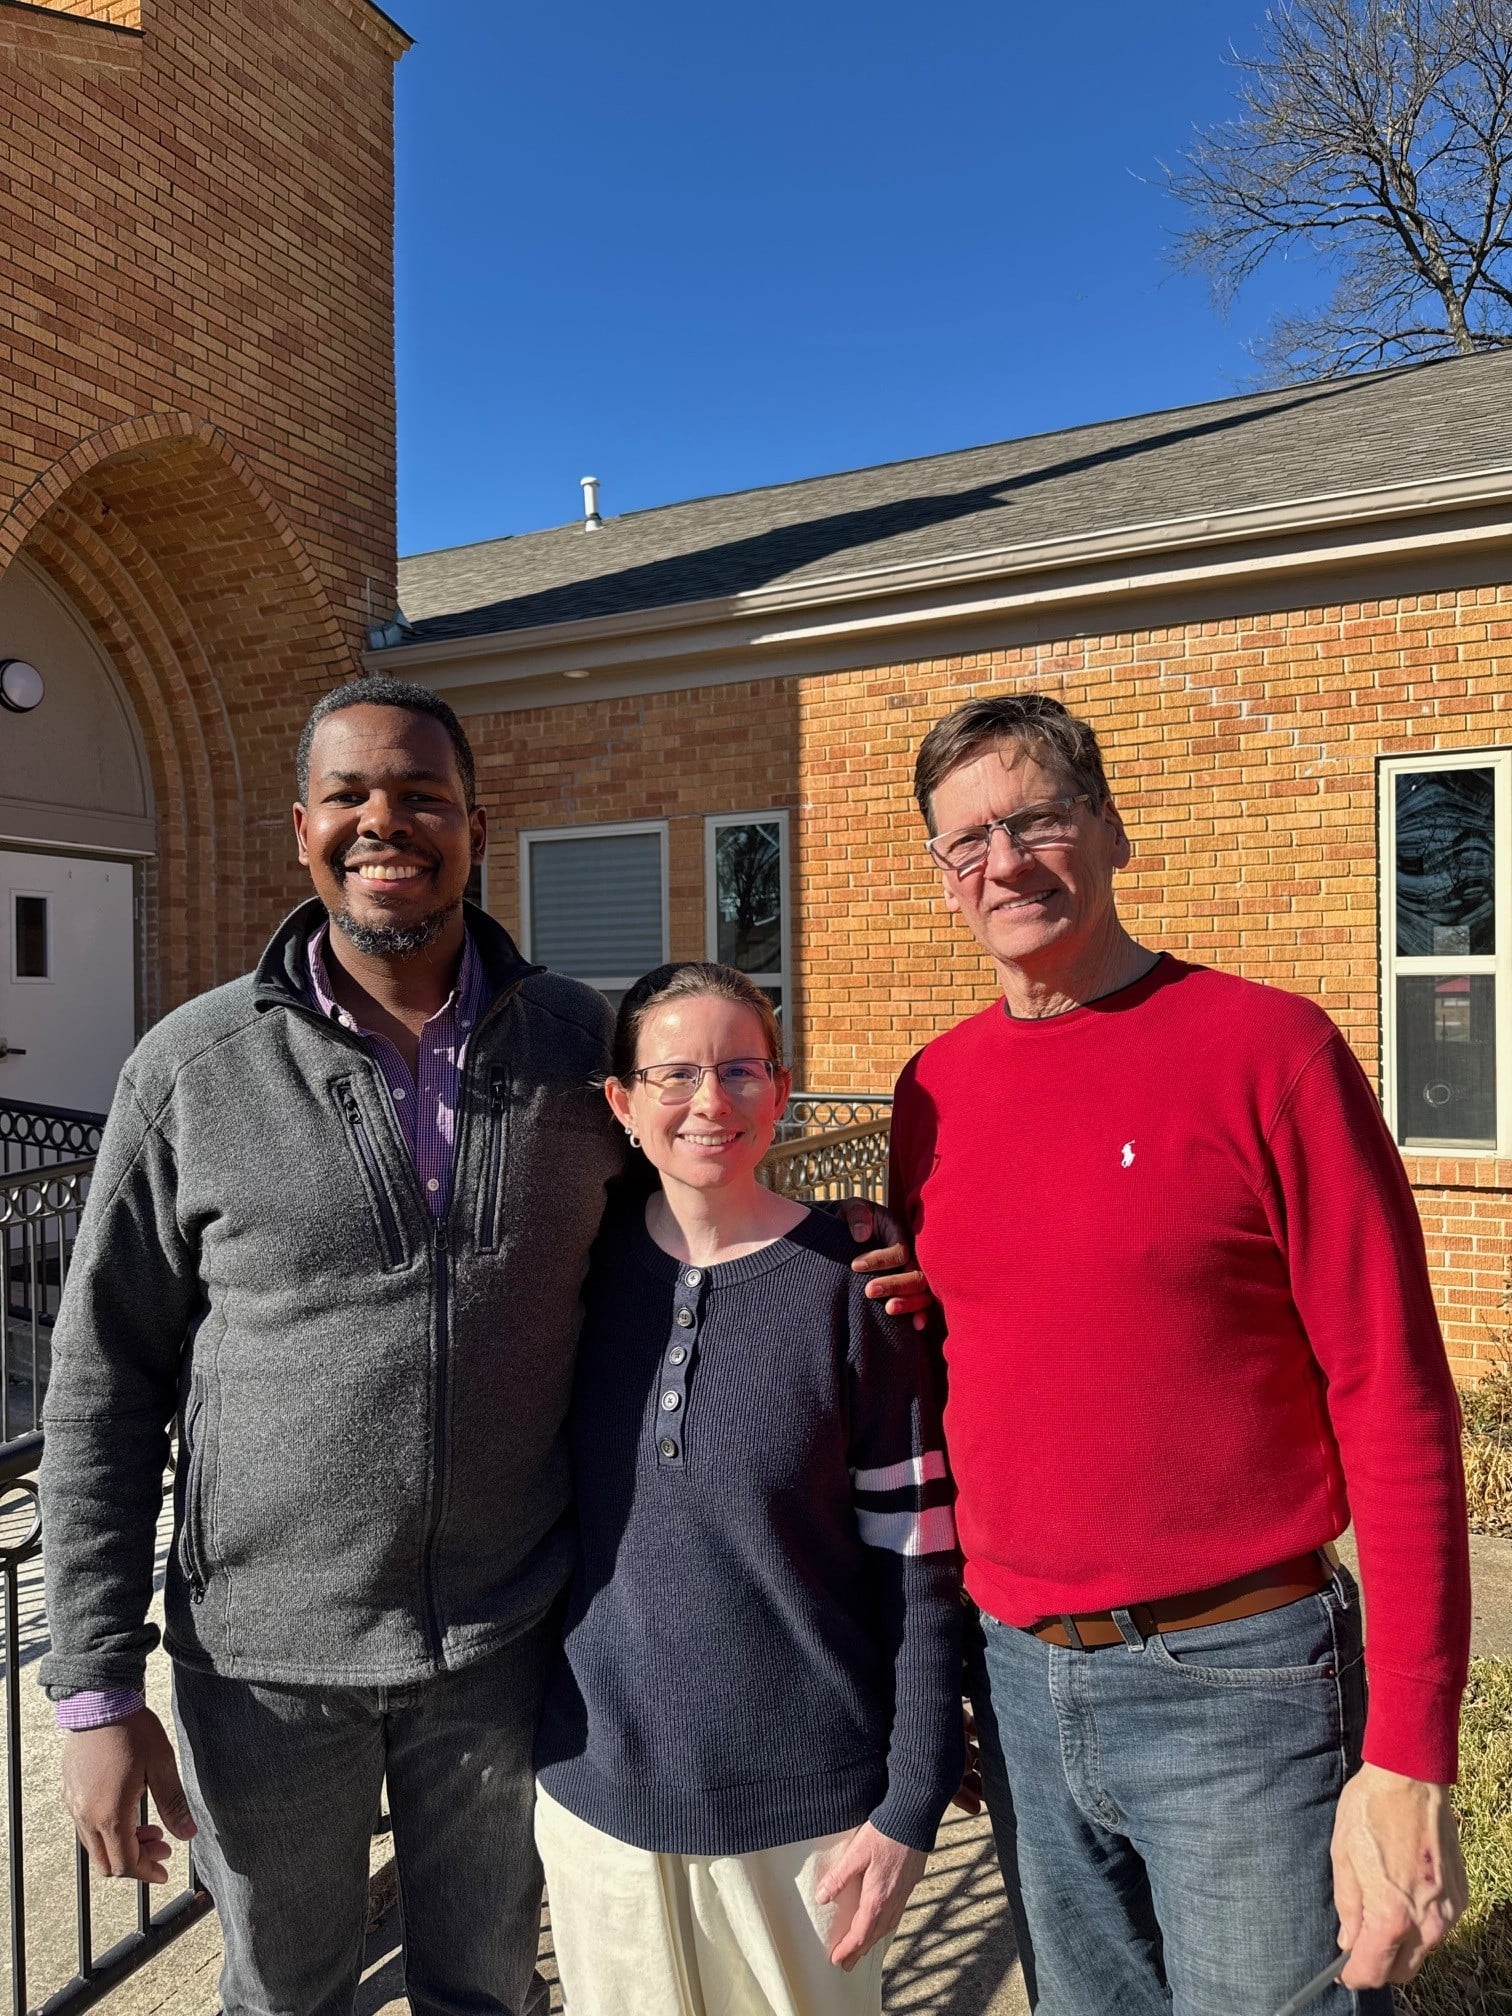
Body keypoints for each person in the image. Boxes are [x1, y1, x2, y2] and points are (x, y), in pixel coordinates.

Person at [39, 677, 923, 2016]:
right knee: (287, 1997)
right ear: (299, 829)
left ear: (475, 826)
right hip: (268, 1667)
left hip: (510, 1648)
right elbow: (102, 1388)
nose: (383, 823)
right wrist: (95, 1692)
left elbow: (693, 1210)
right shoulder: (190, 1070)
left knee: (492, 1993)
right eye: (349, 797)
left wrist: (833, 1235)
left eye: (421, 796)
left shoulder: (579, 1048)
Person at [889, 692, 1471, 2016]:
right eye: (965, 841)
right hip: (1021, 1683)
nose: (1004, 863)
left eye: (1035, 818)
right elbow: (986, 1351)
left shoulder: (1269, 1052)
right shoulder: (934, 1092)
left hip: (1243, 1681)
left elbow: (1396, 1402)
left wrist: (1412, 1753)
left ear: (1109, 828)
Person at [533, 962, 963, 2016]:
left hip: (804, 1819)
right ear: (622, 1105)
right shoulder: (574, 1280)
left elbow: (918, 1560)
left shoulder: (854, 1285)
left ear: (780, 1090)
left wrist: (913, 1800)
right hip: (600, 1802)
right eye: (674, 1074)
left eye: (739, 1069)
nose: (710, 1102)